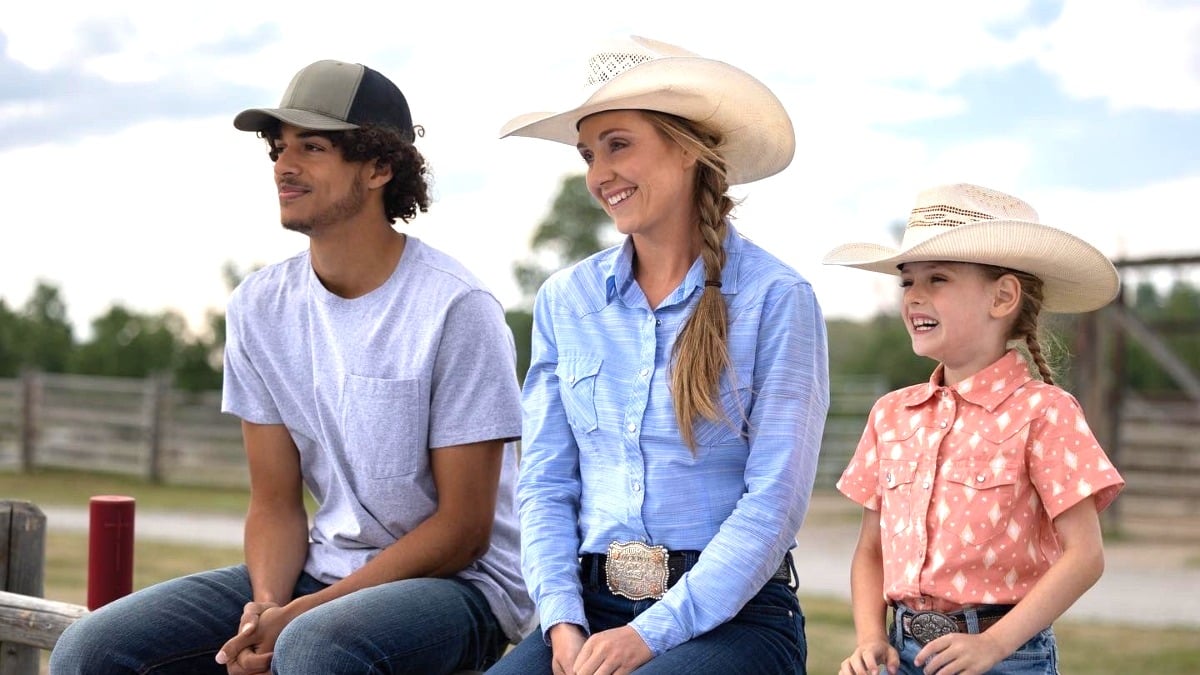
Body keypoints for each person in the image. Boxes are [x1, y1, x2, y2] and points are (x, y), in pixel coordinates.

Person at [50, 59, 534, 674]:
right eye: (279, 148)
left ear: (380, 167)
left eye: (313, 147)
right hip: (317, 576)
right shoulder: (259, 307)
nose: (284, 165)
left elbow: (464, 531)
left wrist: (302, 618)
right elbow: (276, 502)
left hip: (461, 588)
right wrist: (268, 606)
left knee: (316, 648)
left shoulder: (457, 308)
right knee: (91, 649)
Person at [487, 36, 830, 675]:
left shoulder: (777, 299)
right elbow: (544, 479)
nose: (599, 175)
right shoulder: (567, 301)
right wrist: (561, 621)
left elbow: (774, 502)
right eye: (589, 154)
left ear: (687, 148)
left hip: (737, 618)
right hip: (589, 608)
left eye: (619, 145)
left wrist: (649, 637)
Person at [824, 183, 1126, 675]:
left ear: (1003, 297)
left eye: (937, 279)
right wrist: (870, 638)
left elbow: (1085, 556)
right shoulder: (890, 415)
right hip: (900, 657)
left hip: (1003, 658)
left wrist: (993, 645)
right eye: (907, 282)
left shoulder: (1044, 412)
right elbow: (870, 550)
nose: (914, 296)